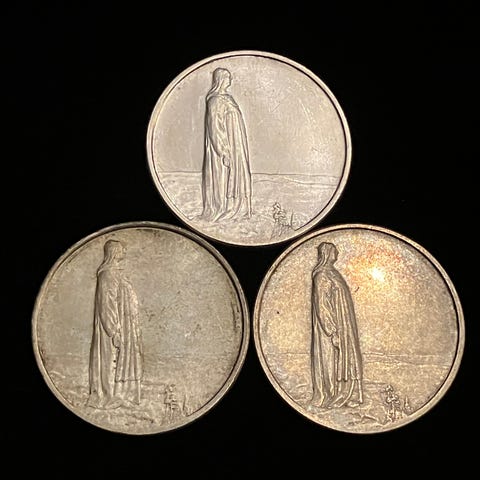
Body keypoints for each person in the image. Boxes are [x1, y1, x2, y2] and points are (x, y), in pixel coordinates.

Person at [87, 240, 143, 408]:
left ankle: (122, 395)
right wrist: (113, 331)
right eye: (121, 249)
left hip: (124, 325)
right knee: (110, 358)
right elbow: (106, 304)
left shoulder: (116, 272)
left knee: (119, 358)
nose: (124, 251)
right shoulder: (107, 274)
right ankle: (108, 396)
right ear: (114, 251)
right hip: (112, 327)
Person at [310, 242, 363, 408]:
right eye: (334, 250)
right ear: (327, 253)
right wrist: (332, 331)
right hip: (331, 329)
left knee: (343, 357)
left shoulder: (333, 273)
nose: (337, 252)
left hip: (343, 324)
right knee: (330, 359)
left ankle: (345, 395)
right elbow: (322, 305)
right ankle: (331, 395)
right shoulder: (322, 276)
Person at [201, 67, 252, 221]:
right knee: (223, 176)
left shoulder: (228, 98)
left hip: (237, 145)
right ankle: (224, 208)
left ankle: (239, 207)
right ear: (220, 80)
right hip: (226, 148)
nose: (230, 80)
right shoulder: (215, 100)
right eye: (228, 77)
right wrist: (224, 151)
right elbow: (215, 128)